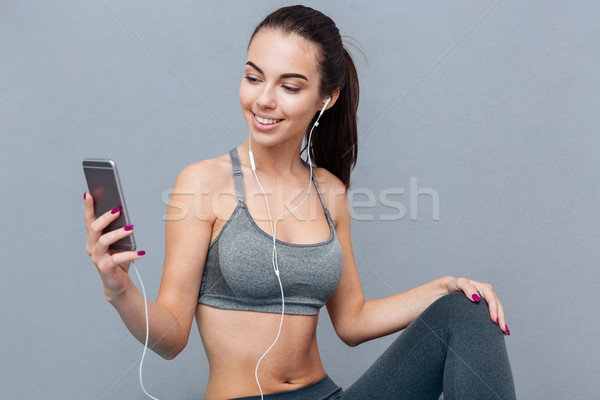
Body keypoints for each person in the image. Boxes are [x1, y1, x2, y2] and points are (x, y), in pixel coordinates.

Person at [83, 5, 516, 400]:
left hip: (326, 394)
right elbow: (172, 339)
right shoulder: (203, 183)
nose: (264, 99)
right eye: (254, 78)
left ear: (326, 99)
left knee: (467, 312)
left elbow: (352, 321)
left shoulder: (329, 192)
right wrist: (119, 288)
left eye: (289, 86)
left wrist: (445, 288)